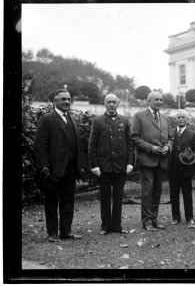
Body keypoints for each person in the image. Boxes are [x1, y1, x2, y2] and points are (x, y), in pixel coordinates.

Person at [34, 89, 84, 242]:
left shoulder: (73, 119)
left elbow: (78, 145)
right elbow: (40, 146)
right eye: (63, 99)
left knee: (68, 202)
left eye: (69, 99)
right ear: (55, 101)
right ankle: (52, 233)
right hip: (53, 169)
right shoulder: (47, 119)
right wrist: (44, 167)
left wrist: (79, 166)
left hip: (70, 169)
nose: (67, 102)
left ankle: (66, 232)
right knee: (51, 202)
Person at [88, 93, 135, 235]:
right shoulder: (98, 121)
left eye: (114, 102)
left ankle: (117, 226)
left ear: (118, 104)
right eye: (109, 101)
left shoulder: (125, 120)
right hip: (104, 166)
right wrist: (95, 165)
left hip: (120, 166)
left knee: (118, 197)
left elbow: (130, 144)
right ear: (104, 103)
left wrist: (130, 163)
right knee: (105, 197)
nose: (111, 104)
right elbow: (92, 145)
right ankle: (105, 226)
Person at [131, 91, 174, 231]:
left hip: (161, 161)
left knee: (157, 191)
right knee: (147, 192)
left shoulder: (165, 118)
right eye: (156, 99)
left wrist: (168, 147)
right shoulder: (139, 116)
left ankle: (154, 219)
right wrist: (151, 148)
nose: (159, 102)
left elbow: (171, 138)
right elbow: (134, 137)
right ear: (148, 101)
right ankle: (147, 221)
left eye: (161, 99)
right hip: (147, 160)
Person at [168, 110, 195, 228]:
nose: (181, 119)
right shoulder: (171, 133)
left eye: (183, 117)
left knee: (187, 194)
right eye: (178, 117)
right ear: (175, 119)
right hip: (173, 169)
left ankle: (189, 217)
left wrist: (191, 158)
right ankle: (176, 218)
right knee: (174, 194)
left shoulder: (192, 134)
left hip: (186, 169)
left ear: (187, 120)